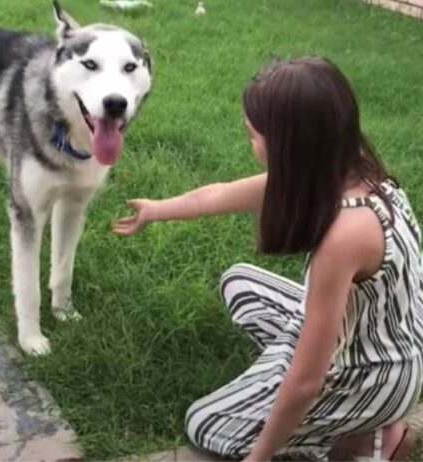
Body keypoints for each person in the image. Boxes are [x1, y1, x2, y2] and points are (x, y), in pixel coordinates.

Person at [112, 56, 423, 461]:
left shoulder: (346, 235)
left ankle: (366, 438)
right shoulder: (347, 172)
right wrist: (156, 209)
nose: (250, 143)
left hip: (373, 374)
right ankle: (312, 396)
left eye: (252, 134)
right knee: (239, 283)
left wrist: (259, 457)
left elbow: (308, 380)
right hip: (384, 337)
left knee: (204, 424)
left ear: (288, 143)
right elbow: (221, 194)